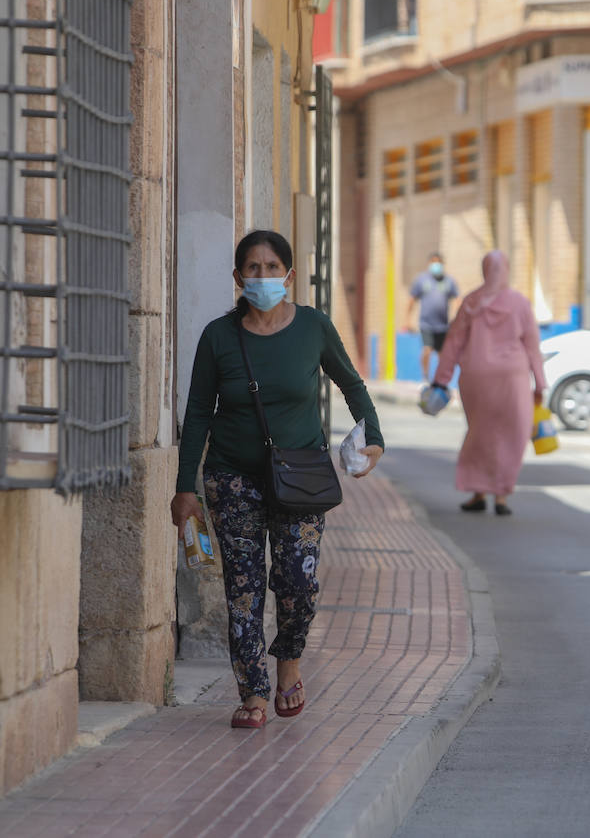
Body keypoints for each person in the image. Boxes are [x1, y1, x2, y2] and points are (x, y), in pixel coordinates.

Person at [171, 230, 385, 729]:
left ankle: (288, 659)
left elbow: (351, 384)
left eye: (272, 267)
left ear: (288, 276)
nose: (262, 276)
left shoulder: (313, 328)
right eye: (252, 267)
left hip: (301, 476)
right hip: (231, 478)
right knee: (242, 590)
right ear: (237, 277)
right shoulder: (218, 337)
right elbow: (199, 412)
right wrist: (186, 488)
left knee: (297, 583)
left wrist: (372, 435)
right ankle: (253, 694)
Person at [432, 250, 546, 517]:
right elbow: (532, 345)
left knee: (480, 433)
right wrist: (540, 384)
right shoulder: (519, 302)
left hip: (476, 377)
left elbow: (453, 343)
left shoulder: (471, 301)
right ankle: (502, 496)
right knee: (511, 435)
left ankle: (478, 493)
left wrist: (441, 379)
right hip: (512, 378)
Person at [406, 252, 459, 381]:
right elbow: (412, 300)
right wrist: (407, 320)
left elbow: (456, 299)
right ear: (429, 264)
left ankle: (440, 378)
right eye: (434, 262)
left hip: (442, 325)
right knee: (427, 349)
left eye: (439, 262)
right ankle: (425, 377)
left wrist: (456, 319)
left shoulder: (448, 281)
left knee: (442, 354)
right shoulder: (422, 280)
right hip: (426, 324)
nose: (436, 265)